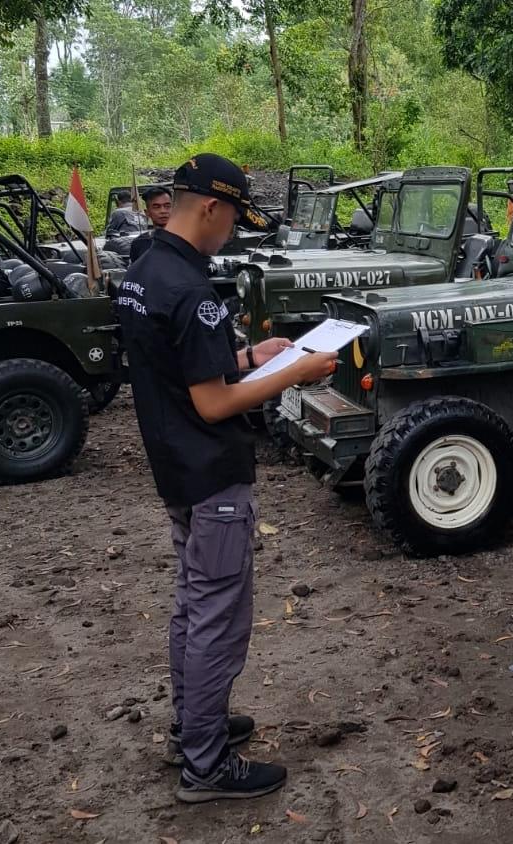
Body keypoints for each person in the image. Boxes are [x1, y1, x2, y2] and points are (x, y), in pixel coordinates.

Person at [115, 153, 338, 804]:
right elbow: (213, 403)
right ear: (210, 207)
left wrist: (250, 356)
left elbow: (182, 369)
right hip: (210, 472)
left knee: (192, 605)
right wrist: (294, 373)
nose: (234, 231)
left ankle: (195, 729)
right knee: (217, 618)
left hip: (174, 465)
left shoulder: (146, 271)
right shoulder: (190, 289)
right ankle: (206, 767)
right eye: (234, 216)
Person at [128, 186, 173, 263]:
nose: (163, 211)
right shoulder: (140, 243)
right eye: (156, 207)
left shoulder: (187, 240)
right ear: (147, 212)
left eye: (167, 206)